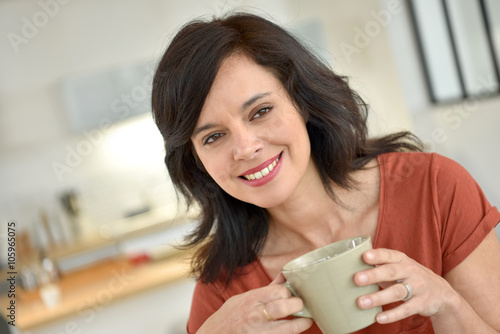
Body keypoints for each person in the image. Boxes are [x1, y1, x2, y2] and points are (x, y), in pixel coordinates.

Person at [151, 13, 500, 334]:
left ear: (300, 102)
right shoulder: (221, 292)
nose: (244, 148)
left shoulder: (434, 188)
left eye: (261, 111)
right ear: (196, 160)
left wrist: (446, 304)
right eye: (213, 137)